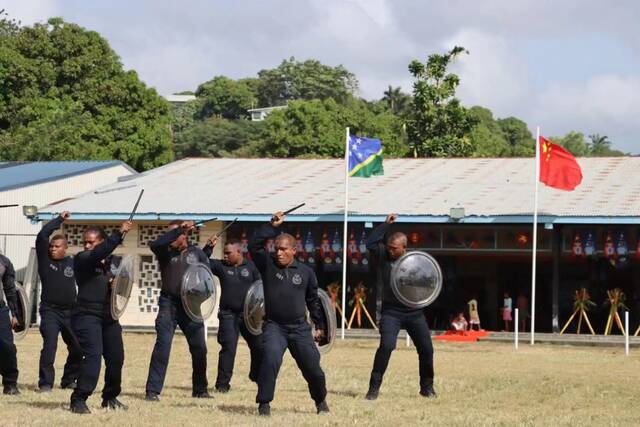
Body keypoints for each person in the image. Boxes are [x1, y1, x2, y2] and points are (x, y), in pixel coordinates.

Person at [249, 212, 329, 416]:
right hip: (274, 326)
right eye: (276, 249)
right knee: (270, 360)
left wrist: (319, 325)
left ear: (294, 250)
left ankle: (321, 402)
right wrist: (272, 226)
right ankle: (264, 405)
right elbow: (254, 245)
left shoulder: (306, 272)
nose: (279, 253)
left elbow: (313, 301)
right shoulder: (267, 265)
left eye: (284, 249)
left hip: (300, 328)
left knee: (313, 369)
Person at [365, 213, 436, 401]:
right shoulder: (383, 257)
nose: (390, 251)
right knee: (386, 346)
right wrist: (385, 225)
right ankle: (373, 388)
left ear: (404, 248)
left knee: (427, 349)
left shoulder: (415, 262)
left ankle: (427, 388)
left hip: (414, 311)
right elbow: (370, 243)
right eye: (389, 247)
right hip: (391, 312)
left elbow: (428, 282)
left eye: (394, 248)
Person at [144, 220, 212, 402]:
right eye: (170, 235)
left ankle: (200, 389)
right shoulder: (164, 252)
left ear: (185, 236)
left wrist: (199, 296)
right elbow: (156, 243)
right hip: (169, 304)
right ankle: (152, 390)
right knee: (163, 345)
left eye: (175, 235)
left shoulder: (197, 253)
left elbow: (207, 279)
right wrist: (177, 230)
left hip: (191, 305)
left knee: (199, 348)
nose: (170, 240)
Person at [70, 221, 131, 414]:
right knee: (93, 356)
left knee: (116, 358)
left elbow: (125, 288)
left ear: (101, 241)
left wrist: (116, 286)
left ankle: (110, 397)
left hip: (109, 316)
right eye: (85, 242)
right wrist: (118, 234)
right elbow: (98, 253)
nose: (87, 246)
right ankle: (79, 398)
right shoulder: (83, 258)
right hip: (87, 315)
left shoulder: (116, 263)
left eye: (91, 242)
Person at [203, 236, 262, 393]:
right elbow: (202, 262)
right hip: (228, 315)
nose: (225, 256)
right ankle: (222, 385)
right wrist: (209, 247)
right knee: (228, 349)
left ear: (238, 252)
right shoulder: (221, 266)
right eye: (224, 253)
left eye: (228, 253)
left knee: (258, 346)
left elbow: (260, 289)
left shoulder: (251, 267)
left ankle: (256, 375)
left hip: (249, 316)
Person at [35, 211, 82, 392]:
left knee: (78, 347)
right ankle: (46, 383)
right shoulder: (45, 260)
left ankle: (69, 380)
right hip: (50, 311)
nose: (52, 249)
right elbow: (42, 235)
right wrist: (59, 220)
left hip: (71, 312)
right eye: (51, 246)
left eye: (56, 247)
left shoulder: (73, 262)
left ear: (65, 248)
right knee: (50, 346)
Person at [0, 251, 19, 395]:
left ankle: (10, 383)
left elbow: (10, 289)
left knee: (7, 347)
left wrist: (14, 314)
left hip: (0, 310)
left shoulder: (4, 262)